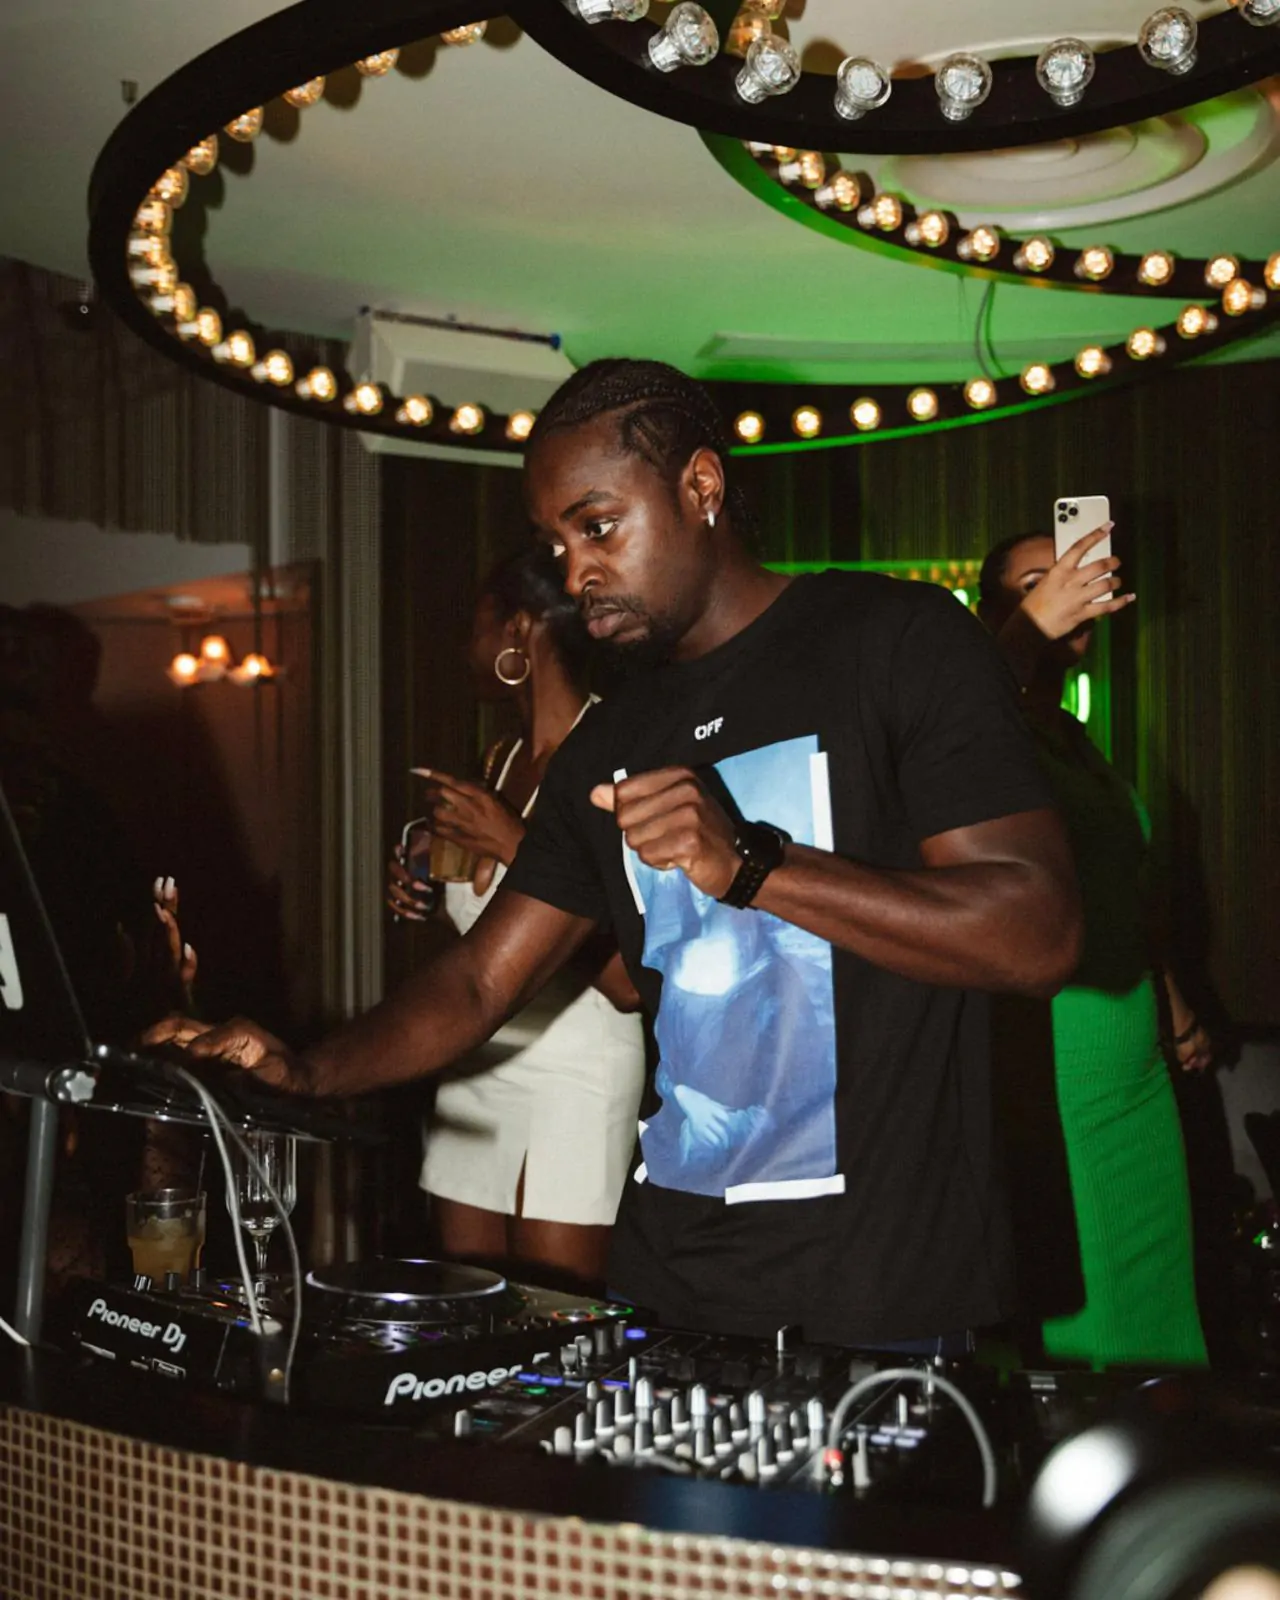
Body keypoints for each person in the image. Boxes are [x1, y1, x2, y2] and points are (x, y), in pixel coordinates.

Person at [149, 358, 1082, 1350]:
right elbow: (477, 981)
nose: (574, 573)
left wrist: (755, 867)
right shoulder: (612, 740)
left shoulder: (894, 640)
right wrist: (307, 1070)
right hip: (670, 1282)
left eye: (597, 527)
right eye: (557, 544)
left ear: (701, 486)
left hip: (883, 1296)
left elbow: (1037, 933)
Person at [977, 526, 1209, 1367]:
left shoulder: (1071, 734)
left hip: (1136, 1060)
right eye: (1035, 582)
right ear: (996, 613)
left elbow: (1120, 889)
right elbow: (952, 708)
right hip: (1060, 1058)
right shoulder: (991, 726)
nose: (1064, 589)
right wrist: (1026, 631)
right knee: (1094, 1303)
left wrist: (1171, 999)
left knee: (1160, 1298)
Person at [385, 549, 645, 1287]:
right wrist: (422, 869)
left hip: (576, 1071)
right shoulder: (498, 761)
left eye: (476, 627)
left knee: (553, 1322)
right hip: (476, 1061)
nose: (466, 648)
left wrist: (513, 845)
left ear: (519, 630)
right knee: (470, 1313)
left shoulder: (614, 755)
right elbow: (493, 930)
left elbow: (631, 980)